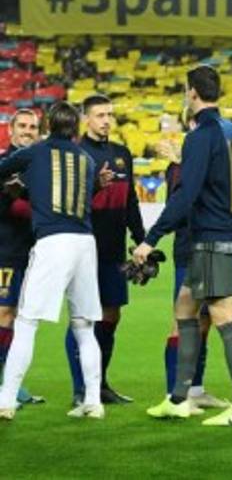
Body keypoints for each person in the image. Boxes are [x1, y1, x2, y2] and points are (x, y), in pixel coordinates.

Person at [136, 65, 232, 426]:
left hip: (213, 236)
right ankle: (179, 397)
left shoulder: (201, 135)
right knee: (185, 310)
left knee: (223, 313)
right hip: (225, 231)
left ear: (191, 93)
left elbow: (185, 194)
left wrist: (150, 238)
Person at [0, 102, 104, 420]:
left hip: (52, 242)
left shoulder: (36, 152)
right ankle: (92, 401)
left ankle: (6, 401)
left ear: (47, 126)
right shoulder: (87, 159)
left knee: (27, 323)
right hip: (86, 243)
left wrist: (19, 190)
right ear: (75, 128)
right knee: (84, 327)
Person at [69, 94, 145, 405]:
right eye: (99, 115)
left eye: (109, 115)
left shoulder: (122, 154)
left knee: (111, 316)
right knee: (83, 318)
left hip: (113, 252)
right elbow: (70, 204)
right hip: (84, 249)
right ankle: (80, 390)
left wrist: (142, 240)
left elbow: (131, 203)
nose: (106, 121)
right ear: (86, 118)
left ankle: (99, 385)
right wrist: (95, 187)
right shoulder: (76, 154)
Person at [154, 120, 222, 412]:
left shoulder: (198, 164)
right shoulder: (178, 170)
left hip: (211, 248)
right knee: (183, 322)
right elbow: (179, 208)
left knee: (204, 320)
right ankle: (174, 395)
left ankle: (195, 389)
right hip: (189, 249)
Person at [0, 109, 45, 408]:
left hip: (34, 254)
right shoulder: (4, 165)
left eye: (34, 127)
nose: (28, 131)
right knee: (4, 314)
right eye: (23, 126)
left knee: (20, 319)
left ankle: (11, 381)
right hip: (5, 251)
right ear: (12, 130)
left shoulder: (38, 163)